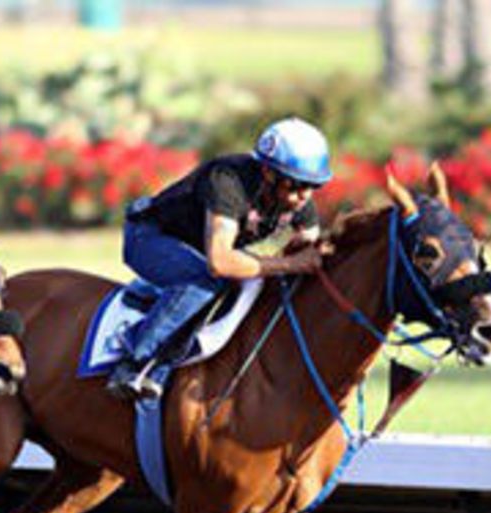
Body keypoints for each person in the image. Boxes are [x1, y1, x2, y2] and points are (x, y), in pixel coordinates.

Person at [106, 117, 332, 402]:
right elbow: (220, 262)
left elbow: (310, 248)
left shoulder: (298, 201)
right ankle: (135, 362)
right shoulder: (227, 180)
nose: (303, 196)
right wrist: (289, 264)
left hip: (199, 251)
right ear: (268, 172)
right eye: (295, 184)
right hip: (148, 237)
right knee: (206, 279)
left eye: (312, 186)